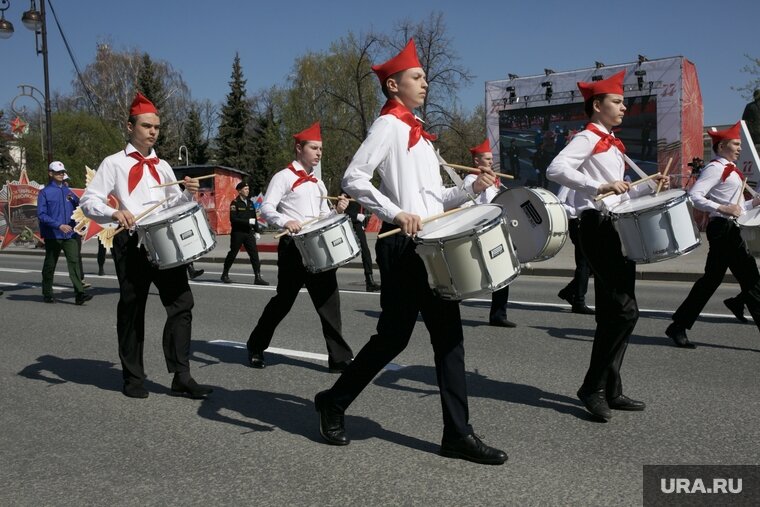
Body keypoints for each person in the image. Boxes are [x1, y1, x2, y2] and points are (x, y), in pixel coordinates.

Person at [315, 39, 507, 465]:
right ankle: (333, 401)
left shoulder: (418, 131)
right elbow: (353, 178)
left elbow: (433, 198)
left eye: (423, 76)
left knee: (448, 340)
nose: (425, 83)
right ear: (392, 86)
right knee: (393, 339)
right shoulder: (388, 126)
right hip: (403, 247)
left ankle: (456, 433)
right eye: (417, 77)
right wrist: (395, 211)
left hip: (432, 245)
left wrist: (469, 190)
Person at [546, 70, 668, 421]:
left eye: (624, 102)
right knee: (625, 311)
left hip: (614, 226)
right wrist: (595, 187)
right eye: (617, 102)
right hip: (596, 228)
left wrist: (647, 186)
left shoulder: (612, 144)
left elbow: (620, 192)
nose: (624, 108)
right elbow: (557, 168)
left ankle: (610, 389)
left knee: (613, 313)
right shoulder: (588, 137)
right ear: (597, 106)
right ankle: (592, 388)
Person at [80, 92, 212, 400]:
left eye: (156, 126)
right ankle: (133, 377)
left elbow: (173, 204)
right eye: (146, 126)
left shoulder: (163, 165)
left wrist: (187, 193)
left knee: (182, 304)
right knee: (132, 309)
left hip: (165, 242)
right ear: (130, 127)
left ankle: (181, 375)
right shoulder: (113, 164)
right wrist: (115, 212)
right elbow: (89, 201)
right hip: (132, 242)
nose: (153, 131)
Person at [246, 122, 353, 371]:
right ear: (298, 148)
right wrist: (286, 221)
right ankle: (256, 346)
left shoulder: (318, 182)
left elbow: (323, 215)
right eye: (314, 148)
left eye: (320, 149)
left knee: (329, 302)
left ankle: (339, 358)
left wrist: (336, 211)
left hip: (318, 247)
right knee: (283, 301)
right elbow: (266, 208)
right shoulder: (283, 177)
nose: (319, 153)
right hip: (293, 247)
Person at [665, 122, 760, 347]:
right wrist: (722, 208)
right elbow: (694, 195)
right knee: (751, 280)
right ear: (722, 146)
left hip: (728, 228)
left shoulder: (731, 170)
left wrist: (753, 203)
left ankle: (678, 325)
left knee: (712, 281)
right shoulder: (716, 168)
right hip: (723, 230)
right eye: (735, 144)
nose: (739, 148)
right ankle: (678, 325)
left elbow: (737, 208)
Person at [463, 139, 515, 327]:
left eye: (492, 159)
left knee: (504, 270)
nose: (491, 162)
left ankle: (499, 315)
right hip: (481, 231)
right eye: (487, 159)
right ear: (477, 161)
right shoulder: (471, 180)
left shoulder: (493, 180)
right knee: (471, 271)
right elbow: (468, 206)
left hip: (496, 229)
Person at [37, 161, 92, 305]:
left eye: (62, 172)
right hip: (53, 235)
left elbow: (80, 209)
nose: (61, 175)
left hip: (70, 235)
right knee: (50, 264)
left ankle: (80, 293)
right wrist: (58, 225)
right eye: (57, 172)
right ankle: (47, 292)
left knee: (74, 262)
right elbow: (41, 215)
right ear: (50, 174)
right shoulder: (44, 192)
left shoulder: (70, 192)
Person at [221, 181, 268, 285]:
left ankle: (258, 277)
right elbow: (233, 219)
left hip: (248, 233)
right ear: (239, 191)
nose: (248, 191)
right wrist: (247, 221)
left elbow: (254, 218)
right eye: (245, 189)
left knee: (254, 255)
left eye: (248, 189)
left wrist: (257, 231)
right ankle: (225, 274)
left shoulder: (250, 203)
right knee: (233, 254)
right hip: (238, 233)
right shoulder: (235, 203)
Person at [556, 186, 594, 315]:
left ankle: (568, 292)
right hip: (578, 222)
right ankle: (578, 302)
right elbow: (559, 202)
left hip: (591, 221)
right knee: (584, 264)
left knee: (592, 264)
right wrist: (576, 212)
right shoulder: (570, 180)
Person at [342, 188, 380, 292]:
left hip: (357, 224)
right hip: (348, 223)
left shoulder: (360, 190)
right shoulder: (346, 190)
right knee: (341, 254)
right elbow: (341, 210)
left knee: (365, 251)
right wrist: (355, 216)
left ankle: (369, 281)